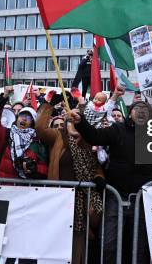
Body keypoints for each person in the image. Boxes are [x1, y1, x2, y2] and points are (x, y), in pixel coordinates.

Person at [69, 101, 152, 264]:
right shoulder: (117, 129)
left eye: (145, 110)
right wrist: (81, 122)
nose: (141, 113)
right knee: (109, 243)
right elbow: (95, 136)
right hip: (117, 196)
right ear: (130, 113)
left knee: (139, 246)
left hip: (142, 200)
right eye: (137, 109)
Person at [36, 93, 104, 264]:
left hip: (81, 201)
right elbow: (40, 128)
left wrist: (98, 177)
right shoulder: (58, 136)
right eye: (69, 121)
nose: (72, 124)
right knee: (56, 241)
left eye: (76, 121)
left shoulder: (88, 140)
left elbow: (96, 165)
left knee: (78, 245)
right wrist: (48, 104)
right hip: (59, 199)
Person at [0, 86, 48, 179]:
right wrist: (4, 97)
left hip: (26, 190)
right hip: (3, 187)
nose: (24, 118)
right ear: (17, 118)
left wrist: (35, 169)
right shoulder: (6, 135)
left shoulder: (37, 142)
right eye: (22, 115)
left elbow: (44, 168)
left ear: (32, 123)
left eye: (28, 117)